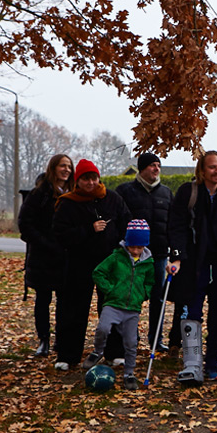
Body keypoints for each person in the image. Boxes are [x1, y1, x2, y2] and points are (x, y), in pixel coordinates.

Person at [167, 151, 217, 385]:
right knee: (191, 313)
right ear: (201, 171)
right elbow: (177, 226)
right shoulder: (188, 192)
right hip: (195, 264)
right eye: (213, 167)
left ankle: (213, 362)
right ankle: (192, 363)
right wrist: (178, 256)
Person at [51, 160, 130, 371]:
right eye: (85, 178)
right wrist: (88, 229)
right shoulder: (67, 203)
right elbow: (60, 234)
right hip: (79, 264)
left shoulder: (112, 199)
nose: (90, 182)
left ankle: (115, 353)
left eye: (94, 178)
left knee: (112, 308)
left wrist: (122, 250)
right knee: (74, 310)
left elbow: (126, 224)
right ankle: (68, 356)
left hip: (110, 264)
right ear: (78, 180)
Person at [114, 152, 173, 357]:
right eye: (152, 165)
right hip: (133, 256)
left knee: (158, 298)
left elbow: (171, 224)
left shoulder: (166, 193)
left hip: (158, 255)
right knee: (132, 297)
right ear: (142, 168)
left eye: (158, 165)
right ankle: (130, 338)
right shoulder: (125, 191)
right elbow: (118, 221)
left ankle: (156, 340)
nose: (156, 169)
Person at [85, 218, 156, 384]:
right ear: (127, 243)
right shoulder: (116, 257)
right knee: (103, 328)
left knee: (131, 342)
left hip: (132, 309)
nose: (136, 250)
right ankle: (98, 351)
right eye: (132, 246)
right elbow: (98, 272)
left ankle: (128, 374)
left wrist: (144, 294)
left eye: (140, 247)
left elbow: (150, 282)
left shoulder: (148, 263)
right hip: (113, 304)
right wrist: (110, 289)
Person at [17, 153, 72, 357]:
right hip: (43, 257)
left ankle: (61, 338)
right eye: (62, 166)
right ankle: (44, 339)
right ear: (53, 168)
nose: (66, 170)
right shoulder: (39, 194)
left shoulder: (73, 192)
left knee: (65, 301)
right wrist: (44, 243)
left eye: (69, 166)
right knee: (43, 300)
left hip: (66, 257)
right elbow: (25, 224)